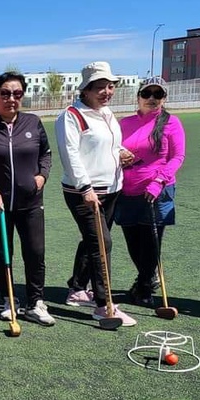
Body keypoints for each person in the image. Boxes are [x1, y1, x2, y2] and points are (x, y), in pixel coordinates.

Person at [0, 72, 55, 326]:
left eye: (17, 94)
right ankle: (8, 299)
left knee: (35, 253)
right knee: (2, 253)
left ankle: (36, 302)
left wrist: (42, 176)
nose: (11, 99)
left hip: (30, 203)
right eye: (5, 93)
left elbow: (46, 154)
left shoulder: (33, 122)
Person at [55, 61, 136, 326]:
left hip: (112, 188)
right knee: (103, 243)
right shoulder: (71, 116)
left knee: (93, 240)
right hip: (85, 193)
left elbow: (109, 143)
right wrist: (85, 188)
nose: (107, 92)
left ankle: (77, 289)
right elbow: (71, 155)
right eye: (100, 87)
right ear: (86, 90)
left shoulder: (107, 113)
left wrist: (121, 151)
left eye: (110, 86)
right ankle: (104, 305)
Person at [115, 77, 185, 307]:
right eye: (147, 94)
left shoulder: (170, 122)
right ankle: (146, 278)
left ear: (164, 99)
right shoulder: (125, 123)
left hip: (156, 190)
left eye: (158, 94)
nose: (152, 99)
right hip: (127, 190)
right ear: (139, 97)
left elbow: (177, 156)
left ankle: (144, 286)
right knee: (133, 242)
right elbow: (113, 149)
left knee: (151, 243)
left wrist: (158, 182)